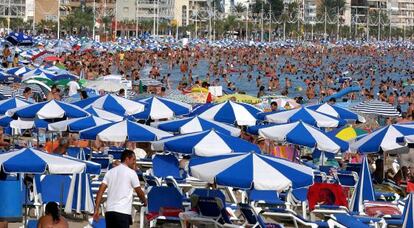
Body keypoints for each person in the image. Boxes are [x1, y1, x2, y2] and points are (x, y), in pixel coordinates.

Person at [93, 150, 147, 227]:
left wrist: (96, 209)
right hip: (122, 212)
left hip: (109, 212)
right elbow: (139, 191)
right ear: (127, 159)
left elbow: (100, 191)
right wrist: (144, 201)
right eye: (133, 159)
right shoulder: (131, 173)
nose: (135, 162)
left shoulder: (110, 172)